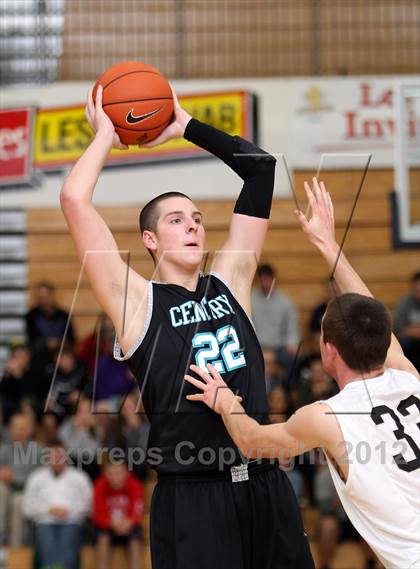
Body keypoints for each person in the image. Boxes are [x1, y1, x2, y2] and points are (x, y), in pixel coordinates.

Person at [60, 86, 314, 568]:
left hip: (265, 485)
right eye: (177, 220)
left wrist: (185, 127)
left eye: (197, 218)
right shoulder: (136, 300)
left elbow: (259, 168)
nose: (194, 226)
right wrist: (106, 135)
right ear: (150, 239)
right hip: (193, 497)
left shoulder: (232, 281)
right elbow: (74, 198)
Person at [185, 178, 420, 569]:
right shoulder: (409, 378)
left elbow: (254, 442)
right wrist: (328, 246)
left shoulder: (326, 416)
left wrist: (225, 400)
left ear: (328, 353)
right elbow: (372, 315)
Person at [23, 441, 92, 569]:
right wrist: (48, 510)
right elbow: (27, 507)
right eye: (54, 457)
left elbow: (89, 505)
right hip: (45, 521)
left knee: (67, 542)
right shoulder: (36, 477)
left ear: (67, 457)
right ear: (47, 458)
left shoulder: (80, 477)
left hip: (72, 521)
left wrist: (69, 511)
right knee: (47, 543)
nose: (57, 460)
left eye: (60, 456)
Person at [93, 460, 144, 569]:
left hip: (128, 525)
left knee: (135, 537)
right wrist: (111, 523)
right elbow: (98, 512)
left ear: (126, 473)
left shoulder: (134, 484)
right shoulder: (100, 485)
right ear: (105, 473)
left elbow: (137, 508)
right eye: (111, 473)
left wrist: (128, 522)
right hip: (108, 525)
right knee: (102, 537)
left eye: (119, 472)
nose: (115, 476)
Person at [0, 413, 42, 546]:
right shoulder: (3, 449)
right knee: (0, 490)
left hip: (27, 493)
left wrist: (14, 478)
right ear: (10, 430)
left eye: (23, 428)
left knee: (18, 502)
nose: (19, 431)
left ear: (29, 430)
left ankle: (15, 548)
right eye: (16, 428)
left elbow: (40, 479)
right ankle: (1, 536)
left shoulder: (37, 450)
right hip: (7, 492)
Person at [251, 264, 300, 360]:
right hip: (255, 347)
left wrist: (292, 344)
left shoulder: (286, 302)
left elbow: (292, 328)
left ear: (274, 280)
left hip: (279, 348)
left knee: (294, 360)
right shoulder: (248, 299)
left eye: (267, 279)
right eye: (262, 279)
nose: (265, 283)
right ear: (257, 280)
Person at [25, 281, 76, 354]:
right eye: (40, 297)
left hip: (61, 353)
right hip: (39, 355)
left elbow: (71, 339)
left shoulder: (63, 315)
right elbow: (31, 340)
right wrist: (46, 343)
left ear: (51, 295)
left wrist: (58, 343)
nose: (42, 300)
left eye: (45, 297)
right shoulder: (31, 315)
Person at [394, 271, 420, 372]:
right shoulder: (405, 302)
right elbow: (400, 328)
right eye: (417, 290)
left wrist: (413, 329)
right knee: (404, 341)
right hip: (410, 343)